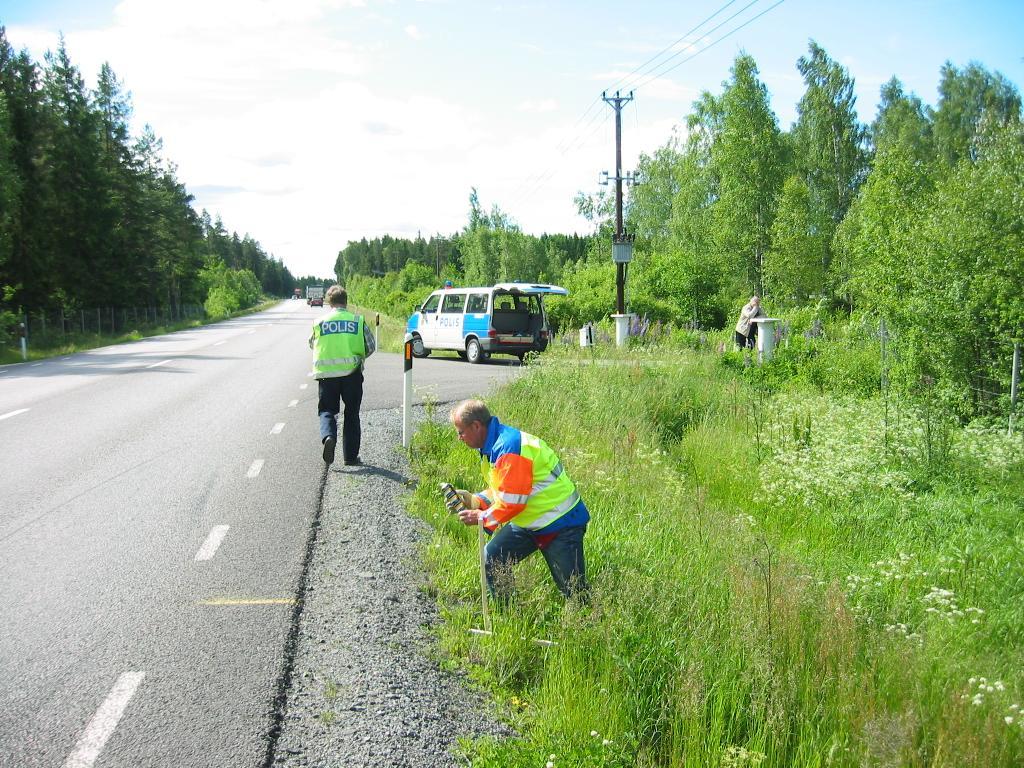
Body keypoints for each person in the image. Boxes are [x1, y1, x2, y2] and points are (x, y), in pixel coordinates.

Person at [448, 399, 589, 601]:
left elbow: (513, 503)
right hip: (531, 521)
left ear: (476, 426)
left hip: (560, 524)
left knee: (574, 592)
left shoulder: (509, 448)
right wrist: (476, 501)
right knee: (493, 557)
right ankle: (508, 614)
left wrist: (481, 517)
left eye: (460, 432)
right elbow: (505, 490)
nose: (459, 437)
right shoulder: (495, 446)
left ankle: (583, 624)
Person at [308, 285, 375, 465]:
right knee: (352, 414)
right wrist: (356, 358)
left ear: (329, 302)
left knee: (327, 410)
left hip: (326, 375)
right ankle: (351, 457)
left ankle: (329, 437)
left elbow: (312, 344)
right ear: (346, 301)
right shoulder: (357, 321)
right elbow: (370, 346)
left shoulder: (319, 323)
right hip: (352, 374)